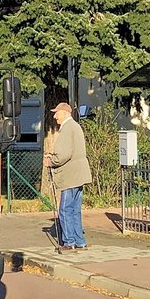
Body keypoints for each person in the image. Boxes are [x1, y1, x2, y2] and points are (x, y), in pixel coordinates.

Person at [47, 101, 92, 251]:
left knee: (65, 209)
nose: (54, 116)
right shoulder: (76, 126)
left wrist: (51, 161)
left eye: (56, 113)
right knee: (75, 209)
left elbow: (63, 155)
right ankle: (80, 241)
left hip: (70, 175)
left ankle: (69, 242)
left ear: (64, 113)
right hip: (79, 173)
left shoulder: (67, 128)